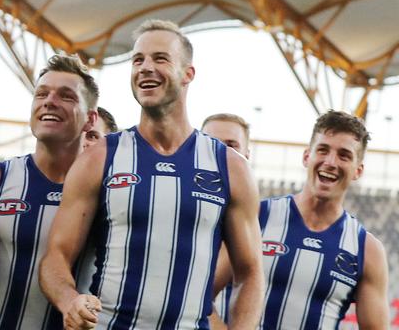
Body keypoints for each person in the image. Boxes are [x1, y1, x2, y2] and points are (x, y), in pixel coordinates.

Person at [39, 19, 264, 330]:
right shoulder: (100, 157)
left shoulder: (231, 167)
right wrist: (69, 301)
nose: (145, 67)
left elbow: (250, 273)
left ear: (188, 74)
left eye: (160, 58)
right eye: (138, 59)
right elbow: (55, 258)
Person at [213, 111, 390, 330]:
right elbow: (200, 294)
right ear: (307, 156)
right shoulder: (257, 217)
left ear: (358, 170)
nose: (331, 162)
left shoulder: (367, 249)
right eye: (323, 150)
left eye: (344, 155)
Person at [0, 55, 100, 330]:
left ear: (90, 119)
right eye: (41, 94)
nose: (50, 101)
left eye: (67, 96)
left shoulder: (107, 192)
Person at [200, 112, 251, 327]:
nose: (221, 153)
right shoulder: (169, 206)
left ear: (247, 154)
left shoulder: (264, 218)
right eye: (212, 143)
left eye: (231, 146)